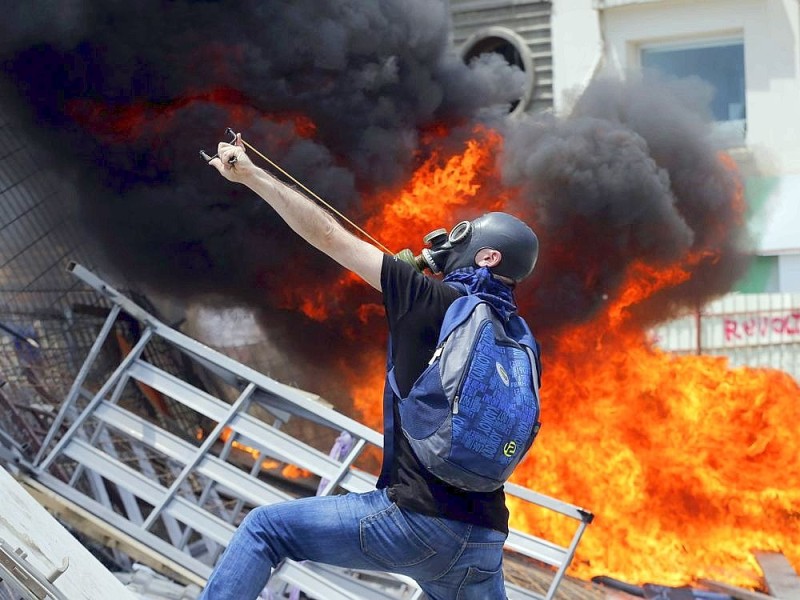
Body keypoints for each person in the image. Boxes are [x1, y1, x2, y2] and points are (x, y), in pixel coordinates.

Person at [200, 134, 539, 600]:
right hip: (482, 541)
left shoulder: (428, 299)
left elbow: (327, 236)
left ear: (487, 256)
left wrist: (250, 174)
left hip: (413, 520)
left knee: (265, 529)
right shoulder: (520, 338)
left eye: (465, 234)